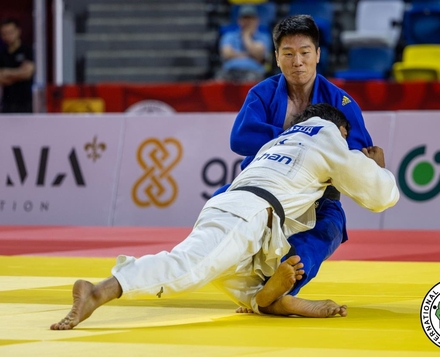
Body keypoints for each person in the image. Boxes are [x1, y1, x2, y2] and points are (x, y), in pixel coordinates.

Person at [50, 103, 399, 330]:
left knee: (250, 292)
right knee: (187, 267)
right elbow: (382, 197)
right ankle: (99, 291)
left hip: (241, 216)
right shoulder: (326, 134)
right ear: (336, 129)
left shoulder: (279, 141)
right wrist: (376, 166)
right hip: (247, 217)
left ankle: (273, 300)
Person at [216, 15, 377, 299]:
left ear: (317, 54)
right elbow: (239, 138)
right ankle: (249, 287)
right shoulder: (262, 94)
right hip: (262, 190)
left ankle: (280, 290)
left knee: (329, 228)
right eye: (288, 54)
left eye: (304, 53)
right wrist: (299, 135)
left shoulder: (340, 101)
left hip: (316, 199)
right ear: (276, 57)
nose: (297, 62)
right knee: (220, 202)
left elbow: (357, 154)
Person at [217, 5, 272, 83]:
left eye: (250, 18)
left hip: (253, 72)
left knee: (255, 82)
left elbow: (259, 55)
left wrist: (246, 36)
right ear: (239, 20)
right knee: (218, 81)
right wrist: (249, 55)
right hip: (230, 71)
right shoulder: (229, 36)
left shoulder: (264, 37)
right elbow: (226, 54)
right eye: (244, 18)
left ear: (257, 20)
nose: (247, 21)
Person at [0, 18, 34, 113]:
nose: (7, 36)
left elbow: (27, 73)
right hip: (7, 103)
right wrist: (19, 72)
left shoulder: (27, 51)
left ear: (18, 31)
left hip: (25, 103)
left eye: (10, 32)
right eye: (4, 33)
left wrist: (6, 72)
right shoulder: (2, 54)